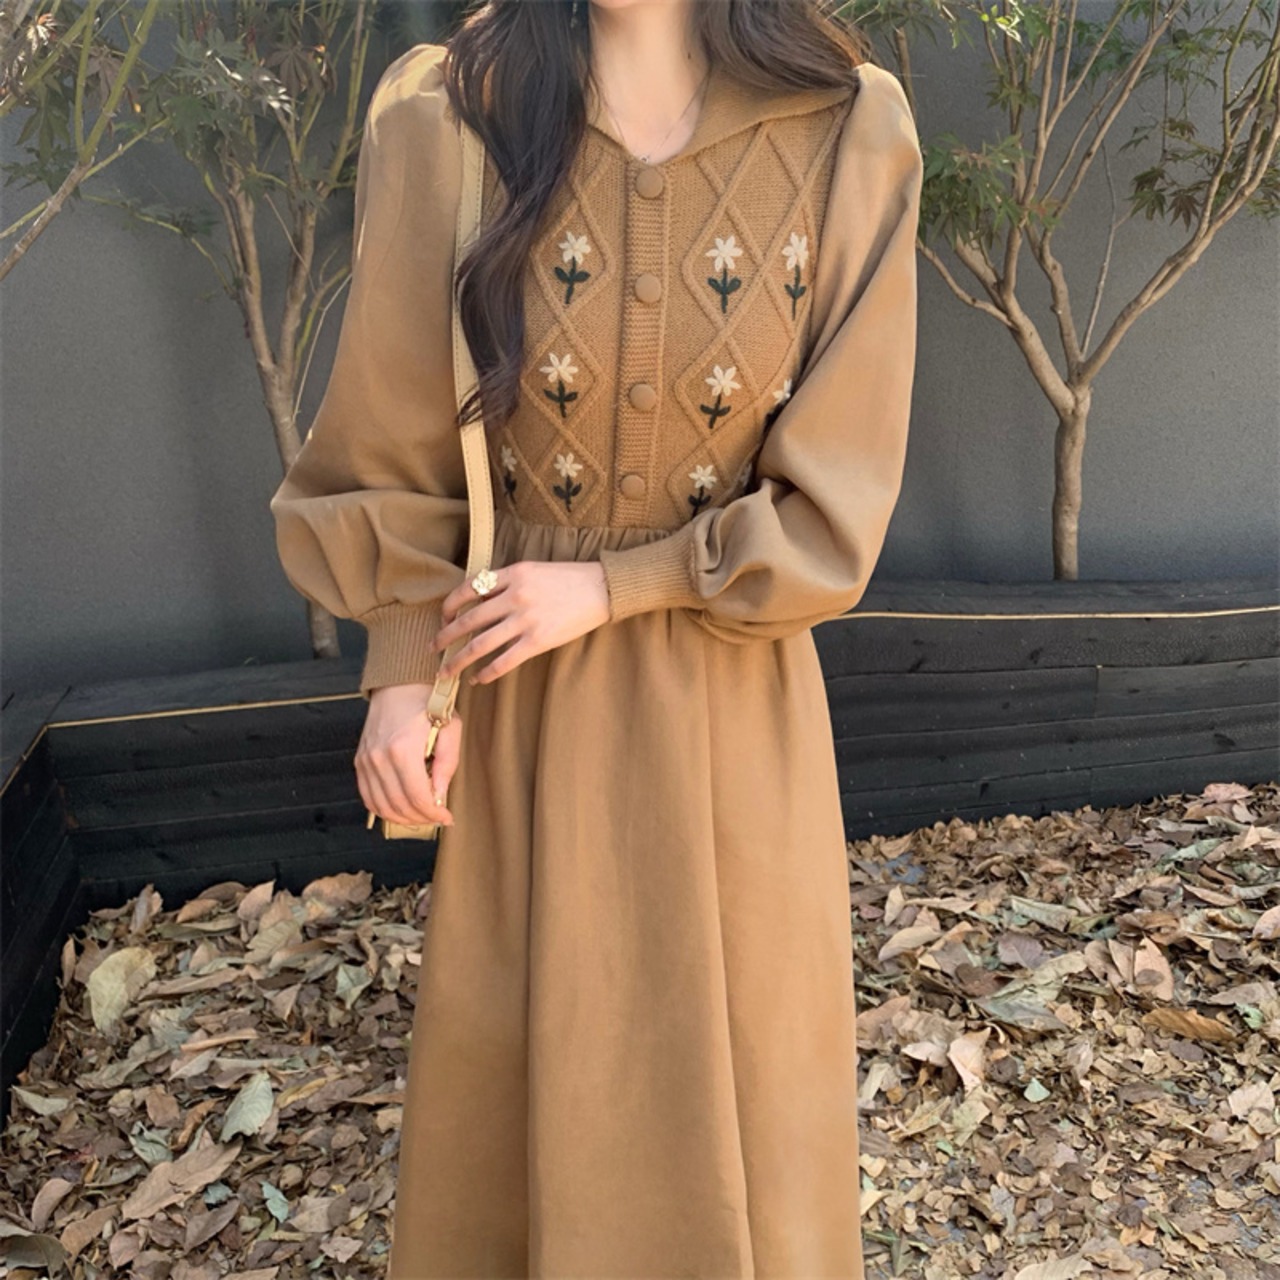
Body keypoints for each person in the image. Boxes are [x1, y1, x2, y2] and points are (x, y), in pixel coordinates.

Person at [269, 0, 922, 1273]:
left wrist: (620, 584)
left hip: (733, 702)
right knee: (534, 1089)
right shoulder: (448, 115)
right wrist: (400, 668)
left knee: (750, 1089)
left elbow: (835, 495)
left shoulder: (847, 127)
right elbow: (388, 426)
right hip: (519, 692)